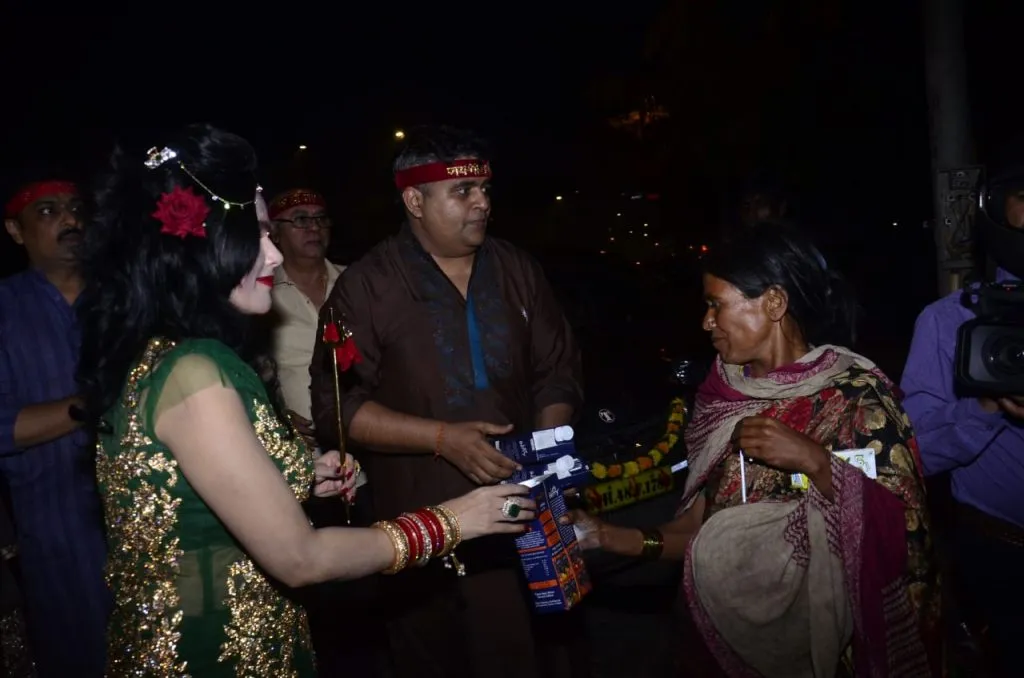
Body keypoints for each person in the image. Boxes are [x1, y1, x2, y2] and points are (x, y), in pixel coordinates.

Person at [75, 124, 535, 678]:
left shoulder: (167, 352)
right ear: (205, 242)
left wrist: (298, 472)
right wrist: (456, 521)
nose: (272, 256)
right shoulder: (195, 371)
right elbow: (300, 560)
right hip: (210, 652)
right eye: (259, 235)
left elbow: (192, 494)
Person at [567, 224, 939, 677]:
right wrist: (604, 536)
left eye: (715, 305)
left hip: (826, 648)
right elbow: (704, 531)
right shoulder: (723, 398)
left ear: (774, 304)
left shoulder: (856, 401)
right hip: (727, 639)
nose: (706, 322)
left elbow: (906, 533)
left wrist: (817, 464)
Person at [311, 124, 584, 677]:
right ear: (414, 200)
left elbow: (558, 369)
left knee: (526, 651)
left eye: (485, 188)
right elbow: (335, 408)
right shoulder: (366, 287)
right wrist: (443, 439)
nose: (482, 202)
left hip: (522, 514)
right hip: (419, 520)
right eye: (462, 191)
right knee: (432, 653)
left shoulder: (516, 270)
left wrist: (544, 448)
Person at [900, 168, 1024, 676]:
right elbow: (916, 451)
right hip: (1002, 555)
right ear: (994, 206)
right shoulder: (947, 321)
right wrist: (988, 407)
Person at [0, 177, 111, 677]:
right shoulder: (4, 309)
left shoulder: (124, 299)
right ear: (15, 230)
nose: (70, 219)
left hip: (150, 521)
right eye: (47, 211)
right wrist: (91, 404)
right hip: (54, 529)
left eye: (75, 207)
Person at [267, 187, 345, 443]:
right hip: (302, 454)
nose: (314, 228)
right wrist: (274, 415)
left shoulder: (357, 282)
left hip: (368, 449)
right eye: (301, 220)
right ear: (275, 233)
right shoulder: (261, 296)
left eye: (321, 219)